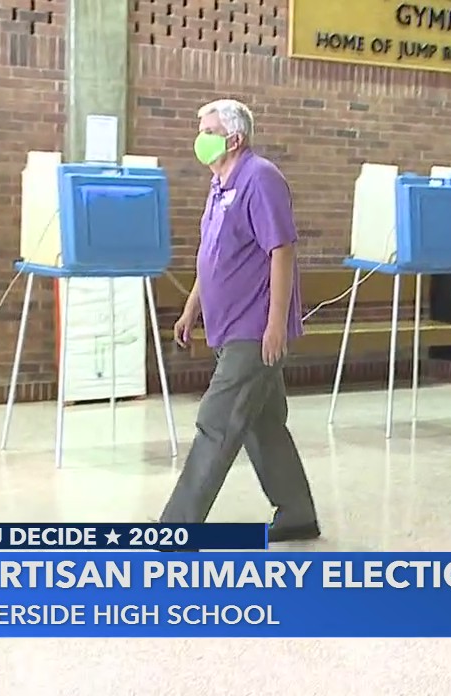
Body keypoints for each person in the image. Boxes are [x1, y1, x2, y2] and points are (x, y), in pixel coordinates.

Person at [159, 98, 320, 544]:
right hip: (227, 325)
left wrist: (275, 324)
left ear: (234, 137)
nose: (200, 135)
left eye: (207, 128)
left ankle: (176, 527)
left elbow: (281, 251)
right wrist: (192, 307)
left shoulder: (260, 178)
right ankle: (297, 513)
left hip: (254, 329)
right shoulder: (220, 185)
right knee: (262, 423)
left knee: (218, 420)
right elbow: (213, 256)